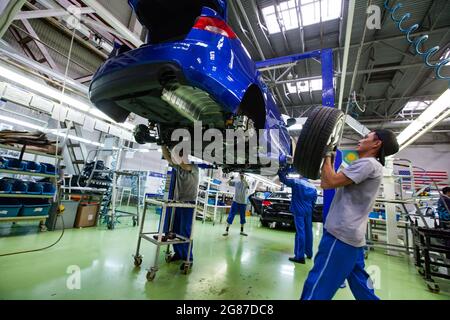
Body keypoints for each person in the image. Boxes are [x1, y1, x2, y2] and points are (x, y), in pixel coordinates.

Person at [301, 129, 399, 300]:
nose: (361, 139)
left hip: (341, 237)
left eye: (367, 137)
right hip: (354, 239)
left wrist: (327, 154)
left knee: (317, 284)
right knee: (362, 287)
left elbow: (328, 182)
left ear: (377, 144)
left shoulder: (368, 164)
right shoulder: (371, 166)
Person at [161, 145, 199, 271]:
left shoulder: (194, 168)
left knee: (185, 231)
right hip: (177, 203)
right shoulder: (178, 168)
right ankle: (178, 253)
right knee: (175, 230)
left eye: (182, 154)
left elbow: (183, 165)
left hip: (189, 204)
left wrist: (175, 151)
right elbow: (168, 158)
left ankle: (189, 258)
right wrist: (162, 145)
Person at [278, 166, 317, 264]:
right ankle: (309, 253)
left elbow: (283, 179)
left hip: (299, 211)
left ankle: (299, 257)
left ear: (301, 175)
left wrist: (285, 169)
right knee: (308, 232)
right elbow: (314, 201)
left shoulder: (296, 182)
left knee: (300, 232)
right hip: (308, 211)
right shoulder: (313, 187)